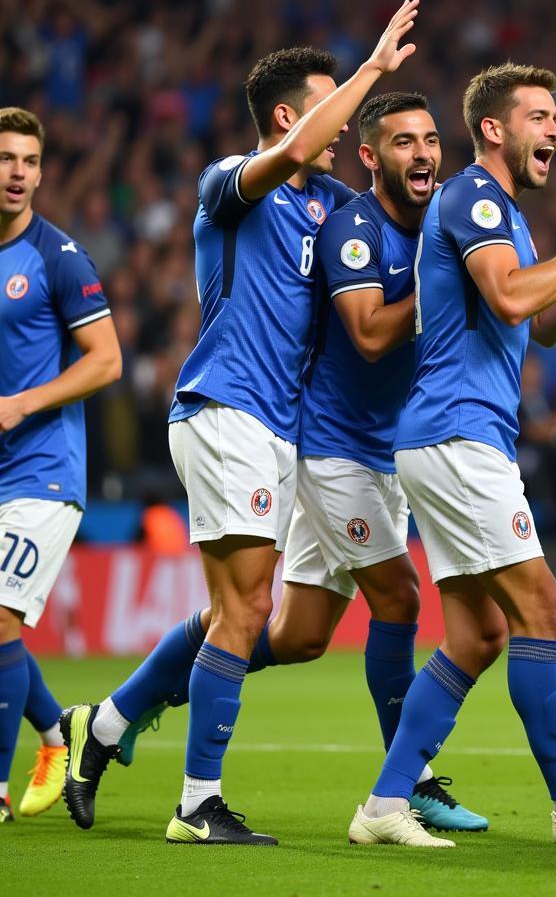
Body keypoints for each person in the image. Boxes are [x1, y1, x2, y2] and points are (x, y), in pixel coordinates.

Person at [66, 91, 486, 835]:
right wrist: (374, 67)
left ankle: (109, 718)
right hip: (248, 415)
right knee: (379, 601)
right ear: (294, 117)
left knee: (293, 634)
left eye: (429, 140)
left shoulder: (337, 202)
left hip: (303, 435)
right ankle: (367, 786)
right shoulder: (234, 179)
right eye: (397, 139)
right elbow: (362, 321)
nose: (421, 153)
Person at [348, 61, 556, 849]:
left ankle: (386, 804)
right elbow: (514, 297)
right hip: (457, 435)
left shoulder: (508, 219)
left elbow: (544, 324)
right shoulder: (472, 196)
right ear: (494, 128)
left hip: (454, 438)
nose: (555, 129)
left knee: (478, 637)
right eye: (539, 117)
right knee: (543, 606)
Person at [0, 107, 122, 823]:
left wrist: (20, 404)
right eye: (5, 158)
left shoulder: (59, 256)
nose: (16, 172)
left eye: (27, 161)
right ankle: (58, 730)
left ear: (42, 173)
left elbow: (106, 360)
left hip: (44, 471)